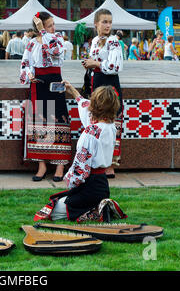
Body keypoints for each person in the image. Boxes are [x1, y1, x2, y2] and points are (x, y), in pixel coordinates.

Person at [34, 84, 120, 221]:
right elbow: (86, 109)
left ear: (95, 106)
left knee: (52, 210)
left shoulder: (91, 132)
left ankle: (96, 211)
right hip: (102, 185)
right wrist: (73, 91)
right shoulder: (111, 127)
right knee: (62, 198)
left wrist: (70, 181)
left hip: (89, 186)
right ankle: (100, 206)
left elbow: (81, 168)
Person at [20, 11, 71, 182]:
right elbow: (25, 63)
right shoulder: (31, 43)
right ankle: (41, 165)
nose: (53, 28)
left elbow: (55, 53)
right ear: (39, 26)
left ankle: (60, 165)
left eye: (52, 25)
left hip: (55, 83)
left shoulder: (56, 39)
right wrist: (29, 75)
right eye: (49, 25)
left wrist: (44, 32)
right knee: (40, 123)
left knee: (59, 121)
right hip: (39, 84)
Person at [82, 8, 123, 178]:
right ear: (96, 24)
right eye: (104, 22)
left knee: (111, 123)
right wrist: (89, 64)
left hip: (109, 84)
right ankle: (97, 161)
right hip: (96, 83)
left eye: (110, 22)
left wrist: (95, 64)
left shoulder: (113, 41)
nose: (108, 25)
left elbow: (115, 66)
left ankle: (110, 164)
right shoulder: (95, 41)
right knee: (98, 122)